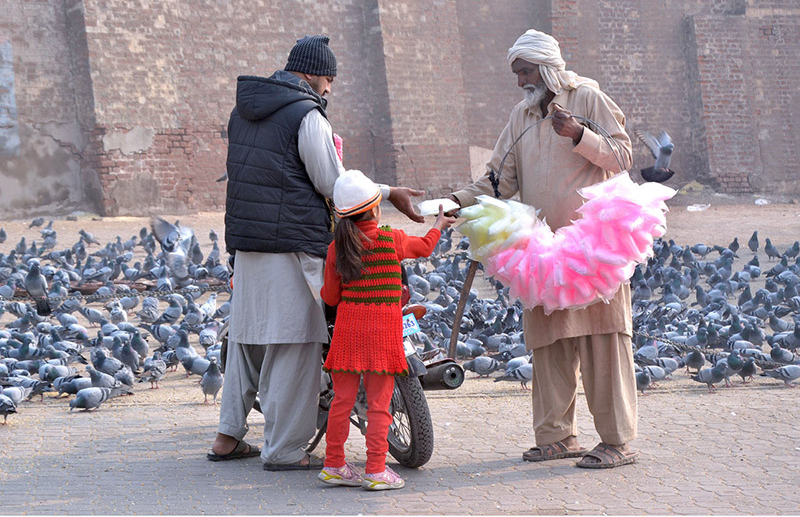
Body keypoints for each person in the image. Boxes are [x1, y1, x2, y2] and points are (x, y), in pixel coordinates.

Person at [208, 35, 425, 470]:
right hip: (290, 245)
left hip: (247, 245)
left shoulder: (245, 111)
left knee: (248, 341)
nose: (329, 89)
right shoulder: (305, 115)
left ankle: (227, 438)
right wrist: (388, 192)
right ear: (312, 74)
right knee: (296, 345)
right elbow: (334, 185)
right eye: (328, 79)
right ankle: (284, 451)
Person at [447, 29, 639, 469]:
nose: (519, 82)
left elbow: (623, 156)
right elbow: (499, 180)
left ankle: (617, 441)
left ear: (546, 66)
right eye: (516, 73)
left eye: (525, 72)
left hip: (592, 252)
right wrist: (454, 202)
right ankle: (557, 437)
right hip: (542, 254)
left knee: (602, 342)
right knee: (548, 343)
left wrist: (578, 134)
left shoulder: (587, 98)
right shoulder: (521, 115)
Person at [316, 170, 455, 490]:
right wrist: (438, 225)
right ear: (376, 209)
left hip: (349, 332)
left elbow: (331, 297)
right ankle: (376, 469)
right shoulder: (391, 239)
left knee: (342, 401)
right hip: (382, 333)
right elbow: (423, 248)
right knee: (380, 404)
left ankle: (334, 464)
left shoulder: (336, 249)